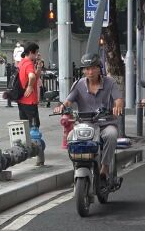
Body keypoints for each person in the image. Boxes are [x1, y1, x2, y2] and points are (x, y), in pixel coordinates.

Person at [53, 53, 124, 182]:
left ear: (99, 68)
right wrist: (61, 107)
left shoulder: (110, 82)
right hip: (85, 124)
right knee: (70, 138)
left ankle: (105, 166)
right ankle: (77, 166)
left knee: (112, 134)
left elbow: (118, 99)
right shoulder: (78, 84)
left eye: (92, 68)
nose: (89, 71)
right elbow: (68, 102)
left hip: (105, 123)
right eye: (86, 68)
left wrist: (117, 106)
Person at [17, 42, 42, 127]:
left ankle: (27, 140)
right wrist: (30, 86)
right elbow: (32, 76)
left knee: (25, 126)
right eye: (36, 52)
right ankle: (33, 141)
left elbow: (35, 77)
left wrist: (39, 66)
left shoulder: (22, 62)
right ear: (31, 52)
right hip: (30, 100)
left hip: (21, 99)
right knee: (34, 127)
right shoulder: (29, 64)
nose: (38, 54)